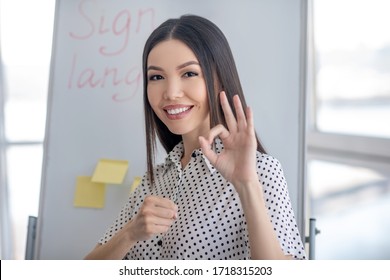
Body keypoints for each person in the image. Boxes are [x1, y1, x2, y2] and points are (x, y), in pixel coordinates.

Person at [85, 14, 306, 260]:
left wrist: (246, 185)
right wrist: (129, 234)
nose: (170, 93)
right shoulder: (153, 180)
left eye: (189, 73)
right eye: (156, 77)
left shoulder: (261, 170)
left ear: (219, 77)